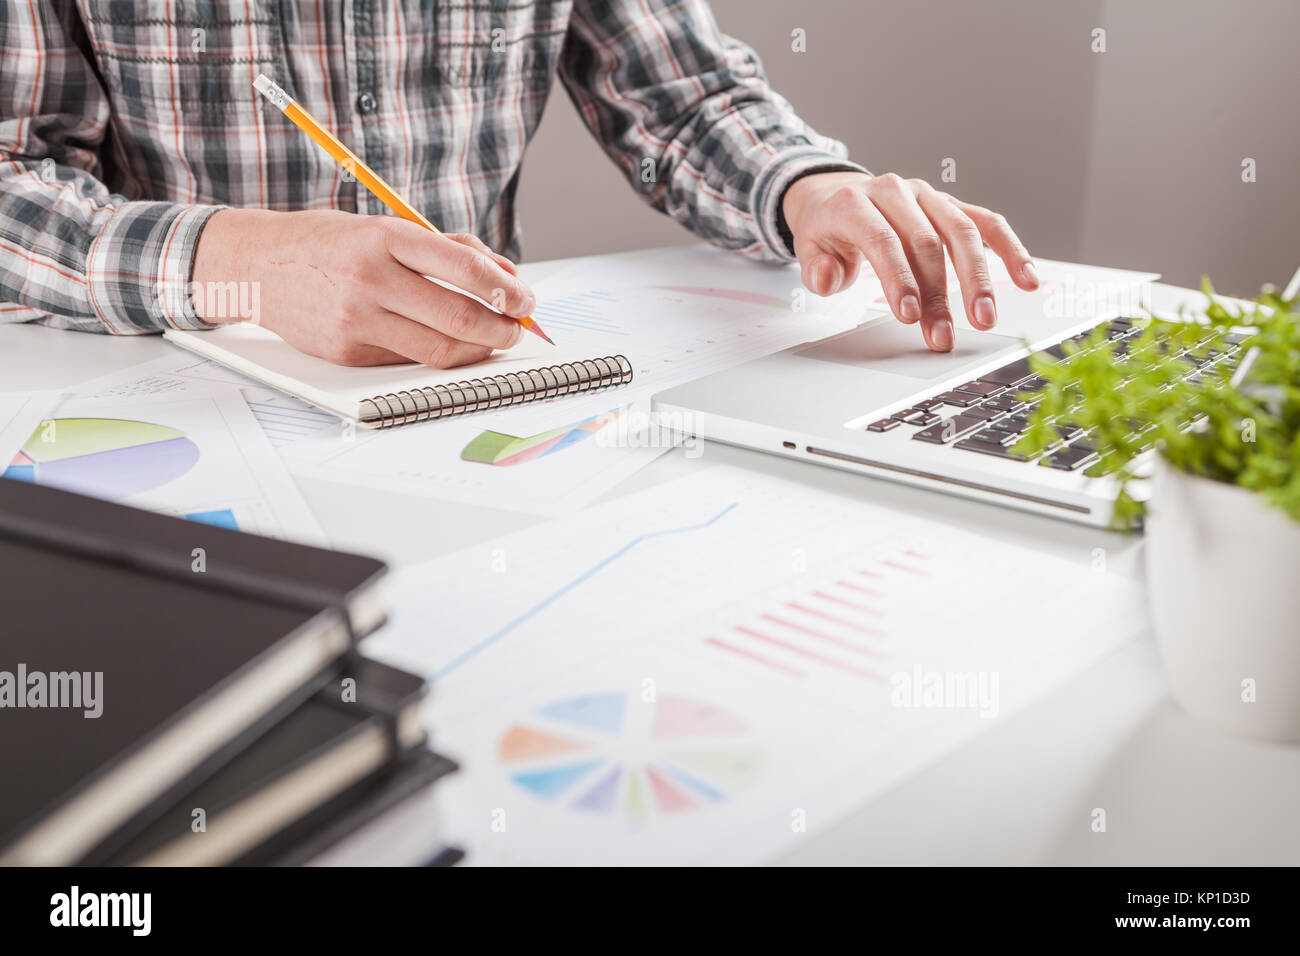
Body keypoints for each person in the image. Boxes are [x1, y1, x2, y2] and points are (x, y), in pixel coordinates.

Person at [0, 1, 1038, 367]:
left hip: (474, 388)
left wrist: (808, 187)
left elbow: (678, 93)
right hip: (174, 393)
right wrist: (243, 265)